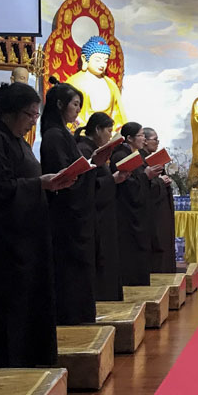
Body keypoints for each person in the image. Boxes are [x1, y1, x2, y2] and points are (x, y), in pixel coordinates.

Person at [0, 83, 62, 367]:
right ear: (10, 112)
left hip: (27, 235)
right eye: (29, 115)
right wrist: (40, 184)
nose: (33, 121)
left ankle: (29, 357)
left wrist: (49, 183)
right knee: (9, 306)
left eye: (37, 115)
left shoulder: (17, 140)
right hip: (5, 240)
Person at [40, 83, 97, 324]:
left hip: (74, 212)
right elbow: (60, 174)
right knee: (69, 267)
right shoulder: (54, 134)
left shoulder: (62, 132)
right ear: (60, 104)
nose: (77, 110)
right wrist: (84, 171)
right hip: (65, 213)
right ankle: (71, 315)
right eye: (75, 104)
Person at [77, 112, 128, 300]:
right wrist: (112, 180)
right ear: (97, 129)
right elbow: (84, 183)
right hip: (94, 215)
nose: (109, 135)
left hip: (105, 212)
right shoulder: (84, 148)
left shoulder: (94, 149)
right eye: (108, 130)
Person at [111, 122, 166, 287]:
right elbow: (128, 187)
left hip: (138, 213)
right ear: (129, 138)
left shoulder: (133, 154)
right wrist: (146, 176)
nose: (143, 139)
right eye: (141, 135)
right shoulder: (120, 156)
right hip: (127, 214)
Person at [143, 127, 177, 273]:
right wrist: (160, 181)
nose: (157, 142)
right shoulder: (140, 159)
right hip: (153, 211)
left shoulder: (151, 158)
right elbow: (144, 184)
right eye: (155, 139)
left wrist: (164, 180)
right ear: (144, 141)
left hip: (162, 207)